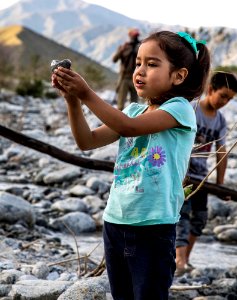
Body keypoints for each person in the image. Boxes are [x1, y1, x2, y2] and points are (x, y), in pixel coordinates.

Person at [51, 30, 210, 300]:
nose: (140, 70)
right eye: (138, 63)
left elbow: (129, 128)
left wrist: (87, 92)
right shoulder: (133, 110)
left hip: (153, 227)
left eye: (152, 64)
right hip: (115, 221)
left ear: (178, 76)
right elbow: (86, 141)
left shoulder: (180, 109)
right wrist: (72, 100)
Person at [175, 71, 237, 276]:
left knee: (200, 218)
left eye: (230, 99)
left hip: (200, 178)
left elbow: (221, 152)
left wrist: (219, 184)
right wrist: (179, 171)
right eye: (223, 96)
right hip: (181, 174)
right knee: (182, 216)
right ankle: (179, 260)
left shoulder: (219, 121)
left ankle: (186, 258)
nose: (225, 102)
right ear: (210, 90)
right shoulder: (191, 108)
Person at [112, 28, 141, 110]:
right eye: (134, 36)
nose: (135, 38)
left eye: (136, 36)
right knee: (120, 104)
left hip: (135, 78)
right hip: (124, 78)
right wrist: (121, 50)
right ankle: (118, 121)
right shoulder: (124, 47)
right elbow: (114, 59)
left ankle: (133, 121)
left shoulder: (140, 47)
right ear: (130, 36)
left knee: (134, 105)